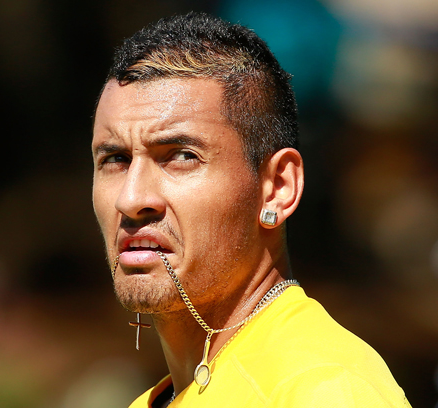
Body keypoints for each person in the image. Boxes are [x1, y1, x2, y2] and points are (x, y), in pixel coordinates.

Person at [91, 12, 411, 408]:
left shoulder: (323, 389)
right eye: (116, 159)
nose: (131, 199)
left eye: (181, 156)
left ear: (277, 187)